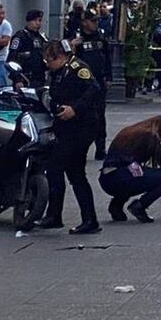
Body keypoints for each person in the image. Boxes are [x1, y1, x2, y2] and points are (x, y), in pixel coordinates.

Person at [36, 41, 103, 235]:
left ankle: (66, 217)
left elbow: (93, 90)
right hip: (66, 127)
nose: (47, 64)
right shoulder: (58, 71)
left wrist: (75, 109)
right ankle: (65, 216)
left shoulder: (78, 68)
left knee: (61, 168)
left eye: (49, 60)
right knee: (70, 172)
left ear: (60, 57)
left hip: (82, 127)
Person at [99, 116, 161, 223]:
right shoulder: (150, 135)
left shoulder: (128, 133)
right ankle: (140, 205)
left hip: (107, 179)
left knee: (133, 172)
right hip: (121, 178)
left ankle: (116, 205)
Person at [71, 10, 112, 160]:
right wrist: (73, 46)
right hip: (82, 83)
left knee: (100, 116)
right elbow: (69, 59)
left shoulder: (101, 37)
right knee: (81, 115)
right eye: (93, 21)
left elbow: (107, 58)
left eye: (96, 21)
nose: (96, 24)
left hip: (99, 81)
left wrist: (109, 77)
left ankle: (100, 148)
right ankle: (79, 148)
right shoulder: (77, 38)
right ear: (85, 22)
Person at [8, 9, 47, 88]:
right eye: (34, 20)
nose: (38, 23)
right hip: (24, 79)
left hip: (39, 79)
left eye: (39, 20)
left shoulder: (42, 38)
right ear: (28, 21)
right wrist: (17, 79)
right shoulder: (20, 37)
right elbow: (12, 59)